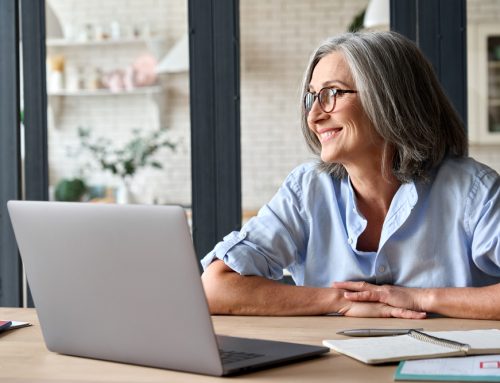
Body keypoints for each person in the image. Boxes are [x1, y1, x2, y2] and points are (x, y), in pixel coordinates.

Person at [201, 31, 500, 319]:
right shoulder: (307, 190)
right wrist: (341, 301)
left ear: (390, 99)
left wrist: (421, 297)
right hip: (334, 368)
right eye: (312, 97)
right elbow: (216, 286)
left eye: (332, 94)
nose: (314, 115)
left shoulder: (474, 192)